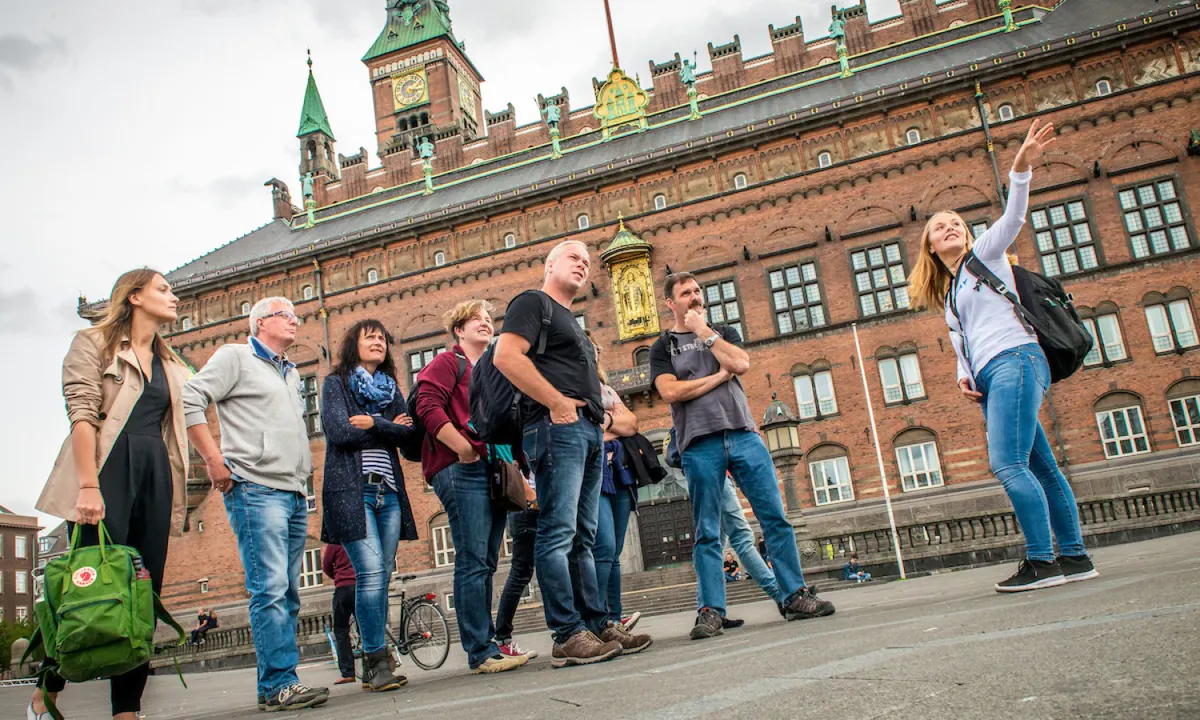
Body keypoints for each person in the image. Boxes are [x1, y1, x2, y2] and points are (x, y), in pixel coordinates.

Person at [909, 118, 1098, 593]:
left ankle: (1041, 560)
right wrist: (962, 376)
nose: (950, 226)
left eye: (956, 222)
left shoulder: (986, 257)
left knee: (1007, 464)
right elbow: (962, 339)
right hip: (996, 374)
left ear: (968, 234)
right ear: (930, 247)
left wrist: (1019, 168)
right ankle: (1074, 557)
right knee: (1043, 468)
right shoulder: (952, 293)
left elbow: (1013, 217)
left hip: (1016, 359)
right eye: (939, 226)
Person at [32, 268, 192, 720]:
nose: (173, 296)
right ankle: (45, 693)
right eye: (164, 289)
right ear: (135, 296)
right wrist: (88, 485)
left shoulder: (172, 363)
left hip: (155, 473)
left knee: (143, 589)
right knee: (84, 584)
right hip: (107, 468)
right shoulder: (93, 343)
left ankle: (127, 710)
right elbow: (82, 414)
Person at [649, 271, 834, 641]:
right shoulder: (663, 346)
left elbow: (742, 364)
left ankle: (795, 594)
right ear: (671, 303)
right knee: (707, 532)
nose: (695, 297)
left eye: (698, 291)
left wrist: (705, 332)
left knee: (775, 518)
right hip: (699, 443)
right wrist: (718, 377)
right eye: (686, 293)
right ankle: (711, 610)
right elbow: (670, 392)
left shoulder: (723, 332)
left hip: (743, 435)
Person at [183, 297, 330, 712]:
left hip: (293, 490)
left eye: (297, 317)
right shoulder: (236, 356)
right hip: (255, 487)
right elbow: (190, 398)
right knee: (269, 589)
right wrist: (214, 460)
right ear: (261, 322)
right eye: (288, 316)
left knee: (288, 590)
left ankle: (274, 685)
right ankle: (281, 682)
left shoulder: (290, 371)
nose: (296, 322)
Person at [493, 240, 631, 667]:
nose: (584, 264)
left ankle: (596, 623)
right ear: (549, 264)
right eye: (574, 257)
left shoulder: (569, 320)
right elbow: (505, 356)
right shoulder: (533, 303)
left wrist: (598, 421)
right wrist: (554, 401)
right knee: (557, 534)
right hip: (556, 431)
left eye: (587, 261)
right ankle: (567, 633)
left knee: (582, 538)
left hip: (586, 433)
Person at [416, 300, 531, 674]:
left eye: (488, 319)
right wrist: (460, 445)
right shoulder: (449, 363)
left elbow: (502, 423)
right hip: (460, 466)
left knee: (486, 559)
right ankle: (480, 651)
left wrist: (515, 465)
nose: (485, 323)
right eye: (475, 320)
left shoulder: (495, 369)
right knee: (472, 558)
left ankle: (487, 647)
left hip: (493, 469)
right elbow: (426, 403)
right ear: (458, 331)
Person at [319, 319, 416, 692]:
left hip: (388, 493)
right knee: (372, 573)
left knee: (383, 573)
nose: (378, 342)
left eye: (382, 338)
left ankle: (376, 661)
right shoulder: (336, 384)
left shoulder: (391, 389)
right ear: (353, 345)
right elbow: (339, 432)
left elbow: (409, 435)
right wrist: (387, 425)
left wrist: (372, 423)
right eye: (370, 336)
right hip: (352, 492)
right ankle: (376, 661)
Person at [589, 336, 653, 653]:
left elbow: (633, 423)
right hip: (594, 472)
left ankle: (613, 619)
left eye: (596, 349)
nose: (594, 352)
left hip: (619, 471)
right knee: (602, 548)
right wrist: (615, 422)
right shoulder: (571, 386)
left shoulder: (607, 389)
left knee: (612, 552)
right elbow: (586, 430)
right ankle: (597, 622)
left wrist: (608, 421)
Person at [322, 543, 359, 684]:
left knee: (341, 630)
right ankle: (371, 669)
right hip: (359, 585)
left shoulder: (335, 541)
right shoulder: (359, 534)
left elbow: (326, 565)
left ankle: (348, 672)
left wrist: (338, 575)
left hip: (343, 588)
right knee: (364, 628)